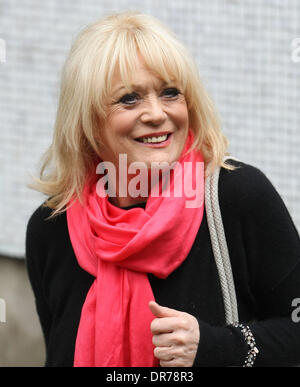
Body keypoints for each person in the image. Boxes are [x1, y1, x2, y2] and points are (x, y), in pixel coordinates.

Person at [26, 11, 300, 367]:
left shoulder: (237, 197)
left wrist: (216, 346)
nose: (156, 113)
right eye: (129, 99)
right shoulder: (51, 228)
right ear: (88, 121)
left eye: (170, 93)